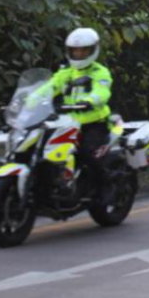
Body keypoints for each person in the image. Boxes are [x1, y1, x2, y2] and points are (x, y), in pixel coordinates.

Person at [47, 28, 114, 194]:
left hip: (94, 124)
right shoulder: (65, 73)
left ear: (93, 50)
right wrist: (27, 101)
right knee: (47, 150)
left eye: (84, 50)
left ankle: (106, 186)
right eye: (75, 50)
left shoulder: (100, 72)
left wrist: (90, 101)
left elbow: (102, 91)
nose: (79, 54)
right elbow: (47, 88)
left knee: (89, 153)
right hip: (68, 124)